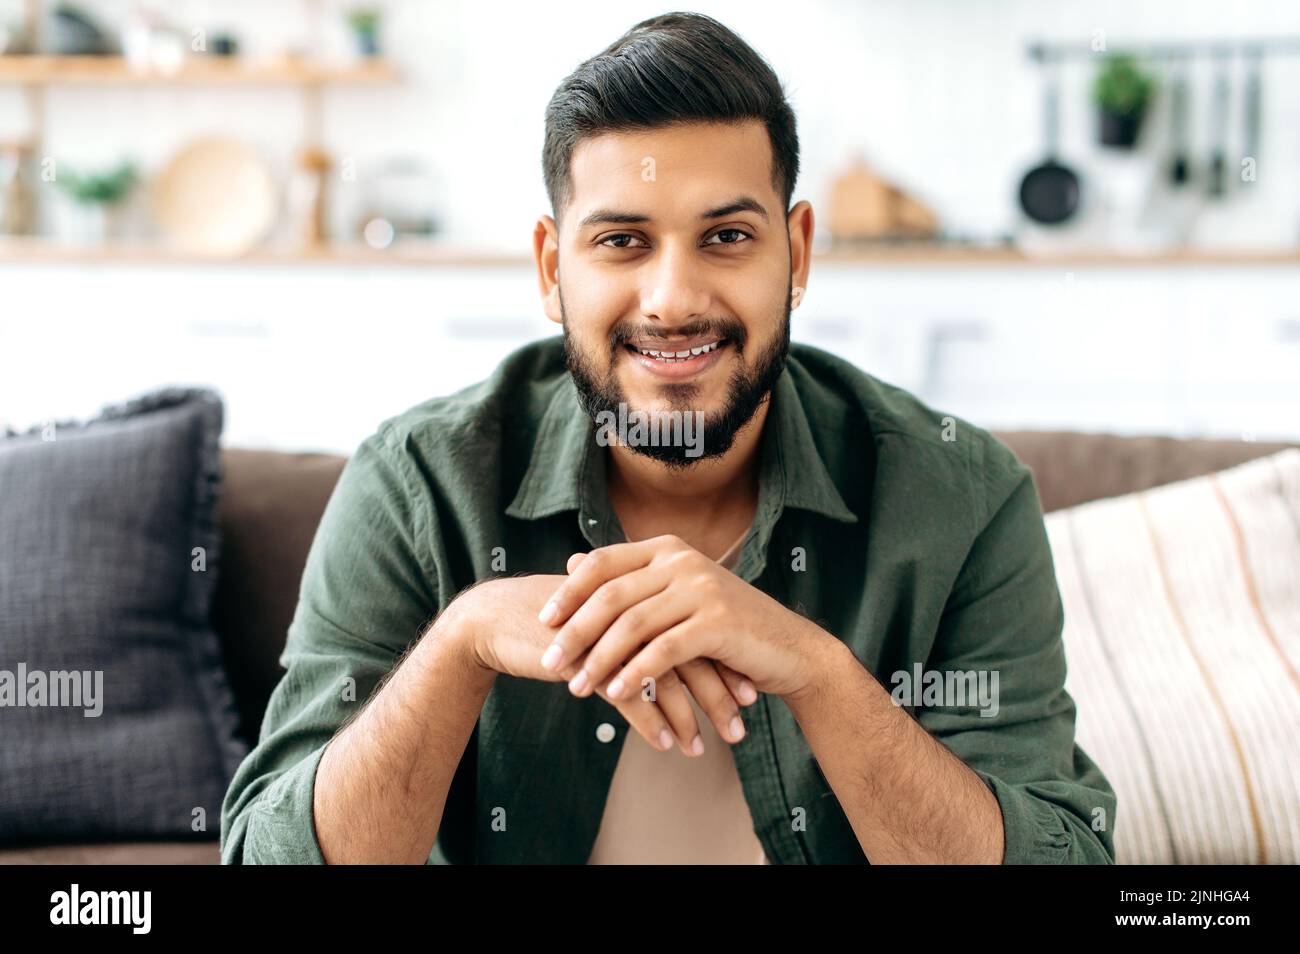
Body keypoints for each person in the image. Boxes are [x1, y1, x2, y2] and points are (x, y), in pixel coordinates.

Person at [220, 12, 1116, 865]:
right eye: (621, 241)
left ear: (797, 255)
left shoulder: (963, 495)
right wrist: (460, 644)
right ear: (550, 266)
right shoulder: (417, 482)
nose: (674, 299)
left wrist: (816, 671)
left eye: (726, 236)